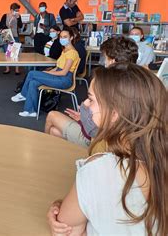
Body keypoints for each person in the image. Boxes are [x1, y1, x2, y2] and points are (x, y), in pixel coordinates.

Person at [47, 63, 166, 236]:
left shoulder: (99, 169)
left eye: (91, 99)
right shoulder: (158, 157)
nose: (85, 104)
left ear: (115, 114)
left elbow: (66, 230)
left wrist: (58, 207)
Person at [45, 36, 139, 149]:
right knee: (54, 131)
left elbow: (94, 128)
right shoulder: (135, 83)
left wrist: (84, 117)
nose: (104, 62)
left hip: (96, 139)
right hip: (114, 141)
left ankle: (47, 151)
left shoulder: (106, 83)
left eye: (105, 57)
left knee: (52, 115)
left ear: (112, 60)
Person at [11, 28, 79, 117]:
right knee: (33, 82)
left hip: (64, 80)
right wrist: (47, 72)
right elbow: (58, 68)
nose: (62, 39)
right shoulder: (65, 50)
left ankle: (23, 94)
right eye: (61, 37)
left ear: (71, 38)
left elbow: (63, 72)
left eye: (65, 37)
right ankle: (30, 111)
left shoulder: (72, 53)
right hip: (58, 76)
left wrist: (47, 73)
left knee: (32, 73)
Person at [0, 2, 23, 74]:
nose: (17, 11)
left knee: (16, 51)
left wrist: (18, 19)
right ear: (11, 10)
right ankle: (7, 68)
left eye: (18, 10)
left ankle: (17, 69)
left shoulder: (18, 16)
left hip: (15, 35)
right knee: (7, 51)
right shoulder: (5, 16)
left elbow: (20, 26)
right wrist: (6, 26)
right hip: (7, 35)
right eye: (16, 10)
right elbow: (1, 25)